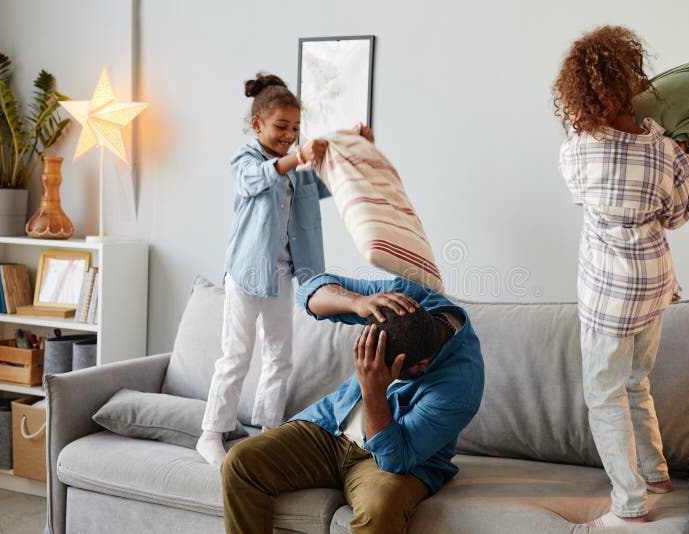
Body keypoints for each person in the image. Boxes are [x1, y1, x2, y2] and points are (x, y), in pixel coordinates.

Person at [552, 26, 689, 527]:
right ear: (632, 79)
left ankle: (630, 500)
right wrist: (682, 160)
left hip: (607, 292)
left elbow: (579, 191)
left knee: (604, 393)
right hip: (653, 284)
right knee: (637, 380)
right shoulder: (665, 150)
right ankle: (656, 471)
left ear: (580, 92)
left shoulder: (576, 150)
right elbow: (680, 214)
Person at [197, 72, 373, 466]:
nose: (289, 135)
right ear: (257, 123)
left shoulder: (297, 169)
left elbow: (328, 183)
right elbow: (254, 181)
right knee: (236, 355)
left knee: (280, 356)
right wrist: (295, 157)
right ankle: (211, 432)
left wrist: (356, 150)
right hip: (245, 275)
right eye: (281, 126)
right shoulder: (246, 160)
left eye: (295, 129)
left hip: (282, 276)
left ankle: (267, 432)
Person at [220, 273, 485, 534]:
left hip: (392, 461)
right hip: (331, 427)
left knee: (379, 510)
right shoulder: (406, 300)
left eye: (383, 372)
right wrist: (358, 302)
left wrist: (373, 389)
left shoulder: (460, 387)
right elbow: (309, 290)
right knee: (240, 462)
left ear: (420, 366)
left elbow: (394, 459)